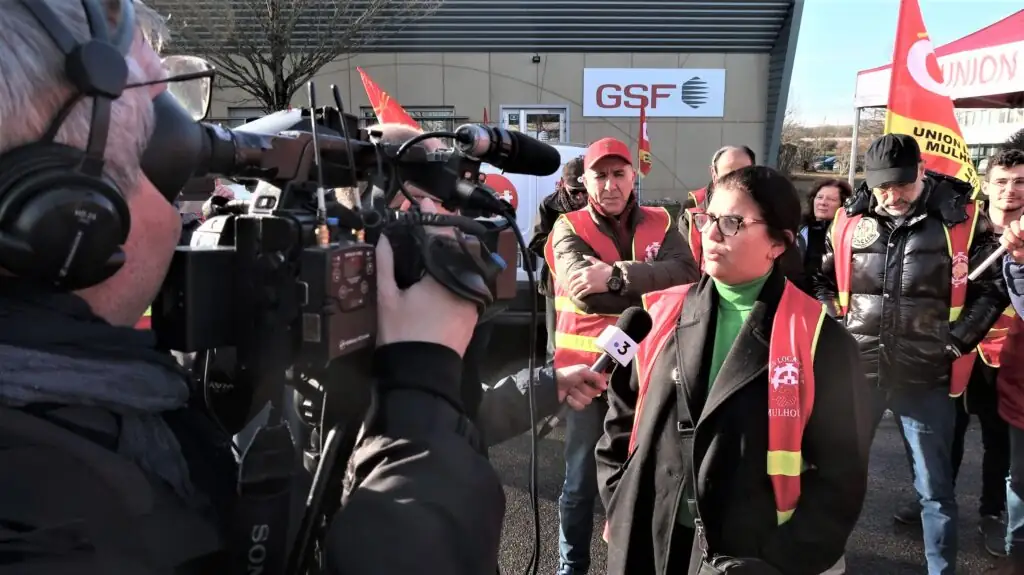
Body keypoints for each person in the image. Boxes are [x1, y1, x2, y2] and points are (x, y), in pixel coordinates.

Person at [0, 3, 502, 573]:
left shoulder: (78, 410)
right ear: (67, 213)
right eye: (161, 144)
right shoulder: (51, 515)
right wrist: (421, 399)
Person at [596, 165, 871, 575]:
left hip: (750, 554)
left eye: (732, 223)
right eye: (707, 218)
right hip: (650, 537)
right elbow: (621, 417)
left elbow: (842, 475)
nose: (710, 234)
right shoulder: (658, 312)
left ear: (779, 243)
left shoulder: (819, 339)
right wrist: (618, 494)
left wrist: (783, 560)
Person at [814, 133, 1008, 575]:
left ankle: (940, 569)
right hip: (858, 372)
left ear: (921, 171)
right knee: (838, 474)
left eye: (900, 184)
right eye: (882, 186)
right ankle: (826, 560)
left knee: (934, 490)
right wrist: (837, 325)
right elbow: (823, 281)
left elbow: (991, 288)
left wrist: (956, 341)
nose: (890, 195)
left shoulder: (962, 218)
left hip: (926, 377)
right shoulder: (847, 219)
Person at [545, 136, 698, 575]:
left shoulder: (663, 221)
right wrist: (655, 286)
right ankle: (571, 568)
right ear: (586, 181)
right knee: (578, 484)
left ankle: (631, 563)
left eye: (618, 174)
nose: (610, 184)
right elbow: (583, 292)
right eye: (600, 175)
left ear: (633, 177)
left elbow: (689, 276)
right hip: (588, 376)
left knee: (644, 477)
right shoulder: (567, 226)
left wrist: (614, 275)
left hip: (650, 372)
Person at [679, 145, 808, 291]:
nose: (711, 234)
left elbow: (794, 277)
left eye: (731, 222)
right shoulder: (673, 307)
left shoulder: (776, 213)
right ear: (714, 176)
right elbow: (682, 269)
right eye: (729, 175)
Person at [529, 156, 588, 361]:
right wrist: (566, 249)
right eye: (575, 192)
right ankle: (553, 382)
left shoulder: (598, 205)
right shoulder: (549, 205)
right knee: (556, 343)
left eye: (584, 192)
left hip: (589, 280)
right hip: (556, 283)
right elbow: (536, 241)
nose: (581, 198)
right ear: (562, 185)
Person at [797, 179, 853, 279]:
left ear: (842, 204)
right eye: (819, 197)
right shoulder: (798, 229)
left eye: (831, 199)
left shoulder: (849, 234)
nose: (823, 203)